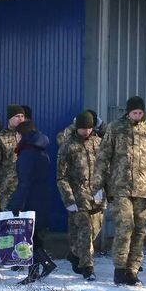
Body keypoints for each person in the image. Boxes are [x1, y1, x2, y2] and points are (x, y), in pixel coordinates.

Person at [92, 96, 146, 286]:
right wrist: (97, 185)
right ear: (128, 112)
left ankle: (132, 270)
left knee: (140, 230)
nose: (137, 115)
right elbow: (103, 157)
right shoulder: (115, 128)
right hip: (120, 188)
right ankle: (120, 268)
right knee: (125, 227)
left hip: (143, 190)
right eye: (134, 112)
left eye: (140, 112)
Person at [8, 120, 57, 284]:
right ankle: (36, 271)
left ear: (22, 135)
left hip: (30, 200)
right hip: (42, 198)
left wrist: (16, 205)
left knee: (29, 238)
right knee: (34, 237)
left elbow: (25, 182)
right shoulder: (41, 151)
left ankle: (44, 265)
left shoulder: (27, 154)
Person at [57, 110, 104, 281]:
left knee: (95, 231)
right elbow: (61, 176)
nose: (86, 131)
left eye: (89, 128)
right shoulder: (68, 146)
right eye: (83, 128)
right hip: (78, 196)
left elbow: (106, 169)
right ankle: (88, 267)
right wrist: (68, 198)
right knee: (85, 230)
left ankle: (75, 253)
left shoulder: (100, 144)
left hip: (97, 197)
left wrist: (104, 191)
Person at [0, 104, 27, 210]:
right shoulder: (0, 138)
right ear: (9, 119)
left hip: (25, 189)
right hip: (6, 190)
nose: (20, 119)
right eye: (17, 116)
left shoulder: (29, 137)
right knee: (6, 222)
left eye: (22, 116)